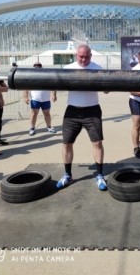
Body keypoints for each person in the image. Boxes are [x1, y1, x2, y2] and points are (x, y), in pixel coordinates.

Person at [56, 45, 108, 191]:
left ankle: (99, 175)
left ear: (90, 55)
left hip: (92, 110)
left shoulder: (98, 69)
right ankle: (68, 175)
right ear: (76, 55)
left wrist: (99, 82)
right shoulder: (68, 69)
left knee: (97, 142)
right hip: (72, 111)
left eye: (86, 56)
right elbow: (56, 84)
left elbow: (107, 90)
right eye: (80, 56)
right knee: (66, 143)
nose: (83, 59)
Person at [24, 62, 57, 136]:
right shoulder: (30, 77)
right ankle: (32, 128)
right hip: (35, 99)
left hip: (45, 99)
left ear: (42, 67)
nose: (37, 67)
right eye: (35, 66)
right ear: (33, 67)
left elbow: (53, 85)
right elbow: (26, 88)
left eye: (39, 66)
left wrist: (54, 95)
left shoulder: (47, 76)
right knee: (34, 114)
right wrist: (26, 97)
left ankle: (49, 127)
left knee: (47, 113)